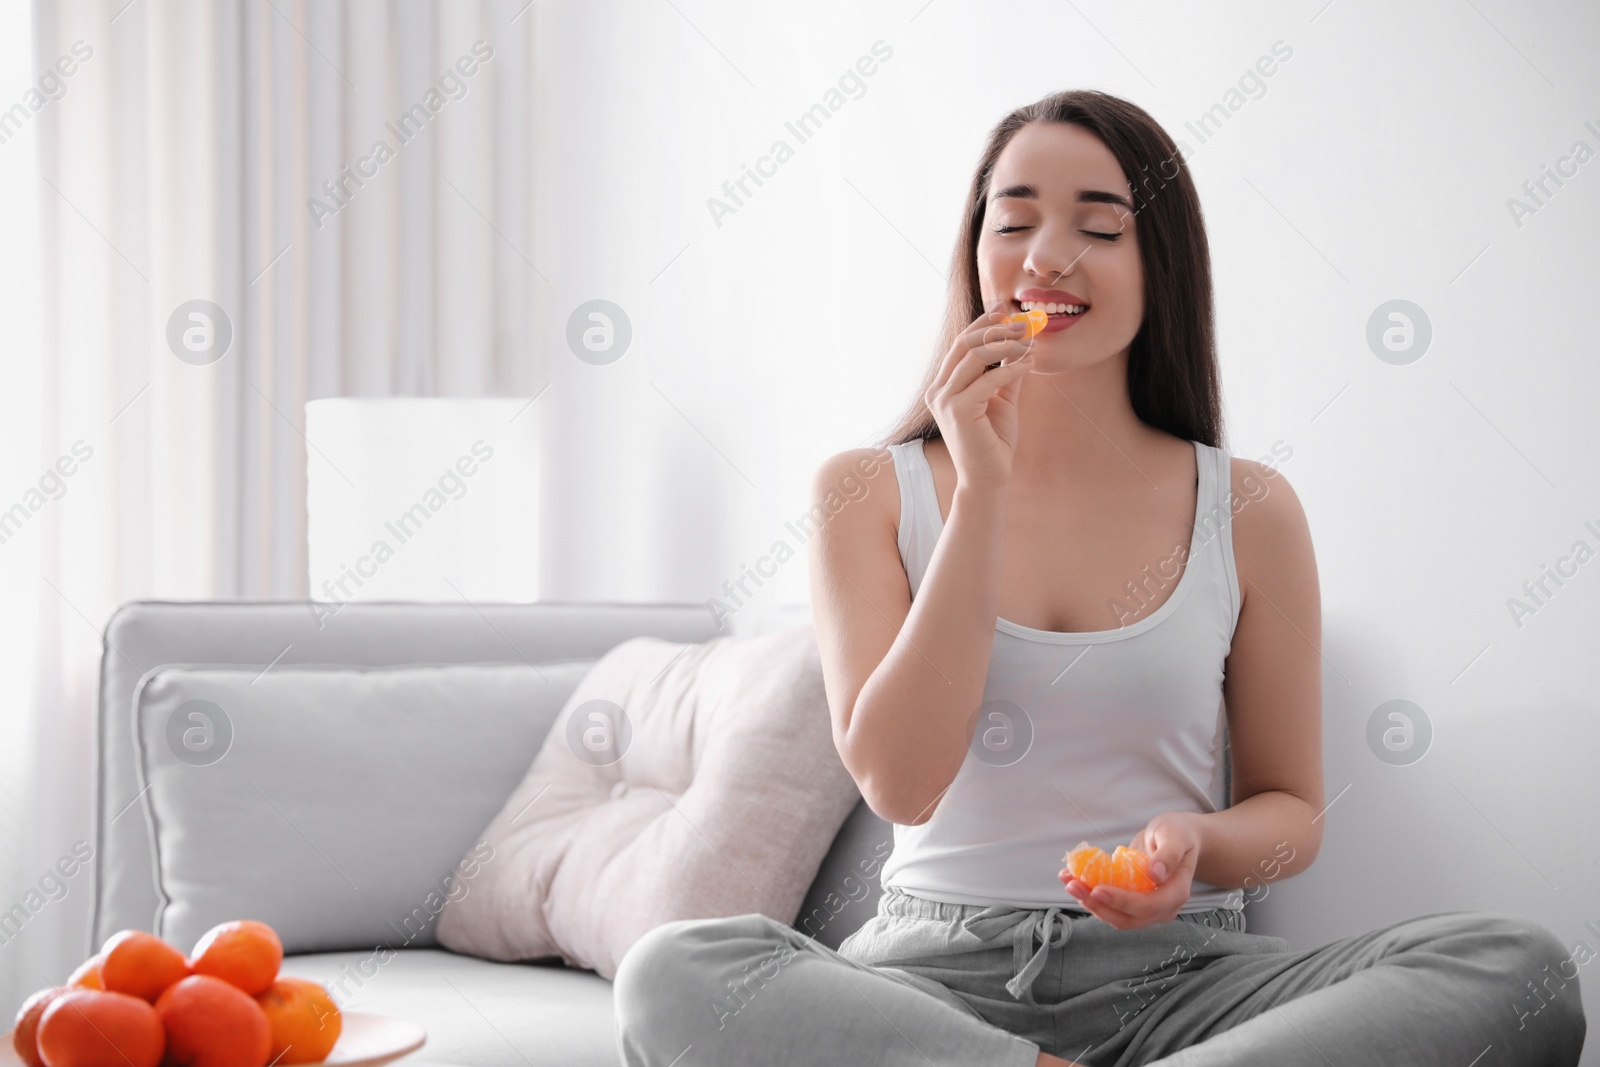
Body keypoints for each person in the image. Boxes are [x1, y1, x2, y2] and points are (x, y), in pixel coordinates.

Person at [612, 88, 1586, 1066]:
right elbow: (901, 782)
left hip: (1188, 985)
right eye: (1016, 219)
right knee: (672, 971)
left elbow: (1291, 811)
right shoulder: (866, 492)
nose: (1046, 255)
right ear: (973, 251)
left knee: (1519, 968)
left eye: (1098, 226)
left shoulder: (1249, 507)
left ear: (1159, 263)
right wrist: (981, 488)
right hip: (927, 985)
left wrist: (1195, 847)